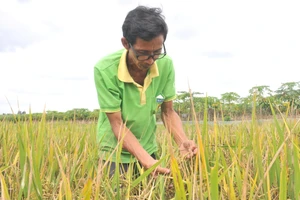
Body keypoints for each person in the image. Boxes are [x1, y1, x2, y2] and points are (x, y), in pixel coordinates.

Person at [93, 5, 197, 178]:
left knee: (154, 192)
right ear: (126, 43)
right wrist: (146, 161)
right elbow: (117, 124)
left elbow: (168, 112)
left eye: (157, 52)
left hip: (148, 147)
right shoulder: (105, 70)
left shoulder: (165, 64)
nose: (150, 60)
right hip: (114, 152)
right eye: (143, 53)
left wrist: (182, 141)